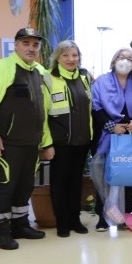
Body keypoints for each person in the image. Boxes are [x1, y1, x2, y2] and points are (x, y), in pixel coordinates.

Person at [0, 27, 54, 250]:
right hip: (7, 143)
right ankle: (0, 231)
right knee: (5, 186)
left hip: (32, 143)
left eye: (35, 44)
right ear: (16, 45)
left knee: (25, 186)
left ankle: (20, 225)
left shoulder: (41, 71)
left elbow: (44, 111)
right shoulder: (1, 69)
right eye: (26, 43)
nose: (31, 48)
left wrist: (46, 142)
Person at [90, 48, 132, 230]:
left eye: (130, 59)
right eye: (122, 57)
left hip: (131, 137)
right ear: (114, 60)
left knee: (128, 176)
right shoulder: (101, 82)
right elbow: (96, 108)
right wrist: (111, 127)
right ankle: (102, 217)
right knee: (105, 177)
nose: (125, 61)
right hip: (106, 137)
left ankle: (124, 217)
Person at [46, 40, 93, 238]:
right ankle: (62, 222)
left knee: (76, 182)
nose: (71, 59)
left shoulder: (85, 77)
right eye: (66, 55)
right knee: (59, 183)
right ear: (57, 58)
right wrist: (46, 143)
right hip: (60, 143)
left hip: (82, 141)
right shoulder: (48, 79)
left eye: (74, 55)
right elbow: (43, 116)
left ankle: (75, 219)